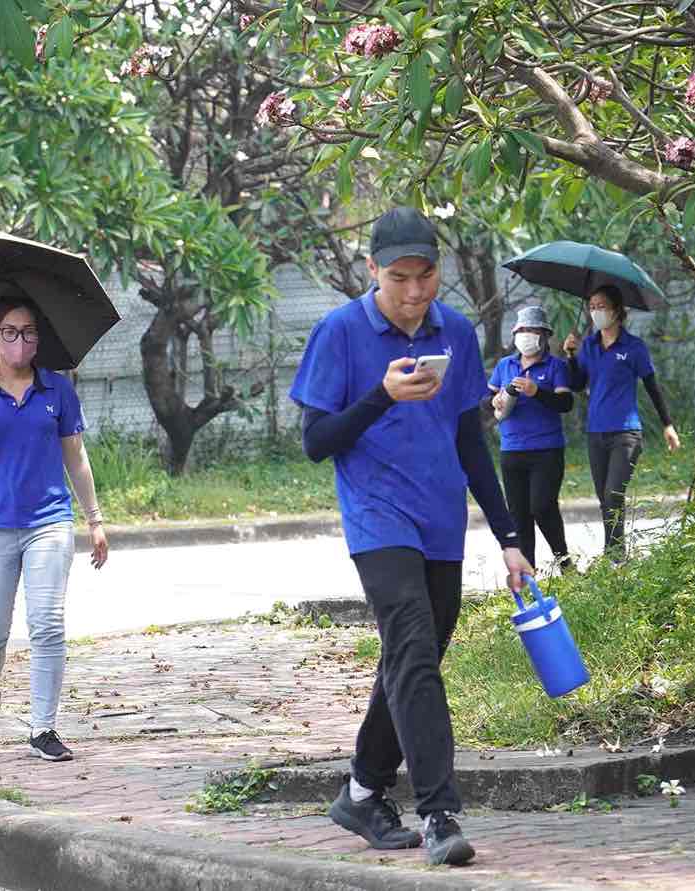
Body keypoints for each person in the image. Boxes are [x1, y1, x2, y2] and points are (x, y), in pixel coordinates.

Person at [290, 208, 532, 867]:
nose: (414, 291)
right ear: (373, 271)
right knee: (413, 650)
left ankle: (360, 791)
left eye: (425, 276)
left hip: (439, 519)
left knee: (411, 655)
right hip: (376, 519)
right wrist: (381, 395)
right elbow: (315, 442)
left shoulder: (452, 331)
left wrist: (508, 535)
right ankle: (438, 813)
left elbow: (468, 440)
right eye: (399, 278)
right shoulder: (339, 332)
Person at [0, 296, 109, 764]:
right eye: (10, 332)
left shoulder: (57, 390)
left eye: (30, 332)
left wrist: (95, 520)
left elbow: (76, 457)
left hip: (49, 523)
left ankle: (43, 727)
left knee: (48, 623)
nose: (21, 341)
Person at [562, 286, 680, 563]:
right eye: (591, 306)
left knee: (613, 494)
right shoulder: (588, 346)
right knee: (604, 499)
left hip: (626, 433)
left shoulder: (634, 347)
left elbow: (652, 385)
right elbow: (577, 384)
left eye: (601, 306)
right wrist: (569, 356)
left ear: (616, 310)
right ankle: (616, 558)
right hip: (596, 434)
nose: (595, 311)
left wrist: (668, 424)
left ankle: (615, 558)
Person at [486, 305, 574, 573]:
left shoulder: (556, 366)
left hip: (546, 449)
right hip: (512, 448)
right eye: (522, 330)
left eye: (532, 330)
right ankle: (528, 573)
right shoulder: (505, 365)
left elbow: (565, 403)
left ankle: (564, 561)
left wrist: (537, 392)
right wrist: (495, 400)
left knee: (542, 505)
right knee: (519, 514)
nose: (526, 335)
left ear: (544, 335)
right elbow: (485, 400)